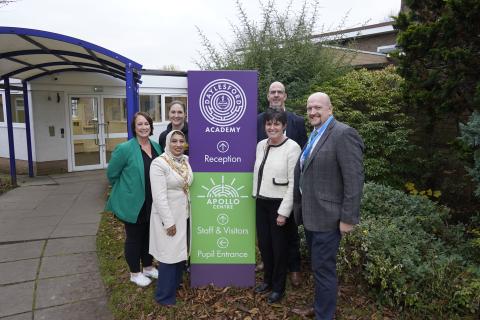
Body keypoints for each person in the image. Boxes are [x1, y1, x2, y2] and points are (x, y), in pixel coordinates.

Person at [292, 92, 364, 319]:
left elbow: (354, 179)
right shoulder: (314, 134)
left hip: (329, 217)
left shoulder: (343, 134)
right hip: (312, 215)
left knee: (324, 270)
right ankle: (321, 307)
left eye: (318, 108)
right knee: (318, 268)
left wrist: (348, 218)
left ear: (330, 109)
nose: (313, 112)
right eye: (309, 108)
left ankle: (325, 315)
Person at [256, 81, 307, 287]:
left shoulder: (296, 121)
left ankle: (293, 267)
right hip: (264, 193)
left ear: (285, 96)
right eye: (272, 92)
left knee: (290, 232)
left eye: (280, 92)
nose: (276, 95)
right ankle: (270, 269)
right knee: (268, 239)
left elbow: (303, 153)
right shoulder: (259, 120)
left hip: (287, 191)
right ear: (268, 96)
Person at [105, 111, 162, 287]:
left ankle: (147, 267)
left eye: (146, 124)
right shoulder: (125, 149)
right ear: (134, 128)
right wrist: (127, 190)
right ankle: (134, 273)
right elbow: (112, 174)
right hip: (133, 202)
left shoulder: (156, 147)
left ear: (151, 126)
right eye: (140, 124)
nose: (144, 127)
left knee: (148, 236)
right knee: (134, 237)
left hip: (152, 201)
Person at [253, 109, 301, 303]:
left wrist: (284, 212)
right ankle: (268, 281)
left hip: (279, 205)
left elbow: (293, 183)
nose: (272, 127)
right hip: (261, 202)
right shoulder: (261, 145)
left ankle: (279, 288)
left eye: (276, 124)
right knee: (265, 246)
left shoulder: (292, 147)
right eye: (268, 124)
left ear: (284, 126)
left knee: (279, 249)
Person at [149, 130, 193, 306]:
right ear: (167, 143)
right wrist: (168, 222)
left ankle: (174, 286)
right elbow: (159, 197)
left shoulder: (185, 161)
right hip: (168, 217)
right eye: (174, 141)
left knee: (179, 253)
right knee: (168, 256)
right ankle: (164, 296)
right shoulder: (159, 164)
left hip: (185, 214)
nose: (178, 144)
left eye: (181, 141)